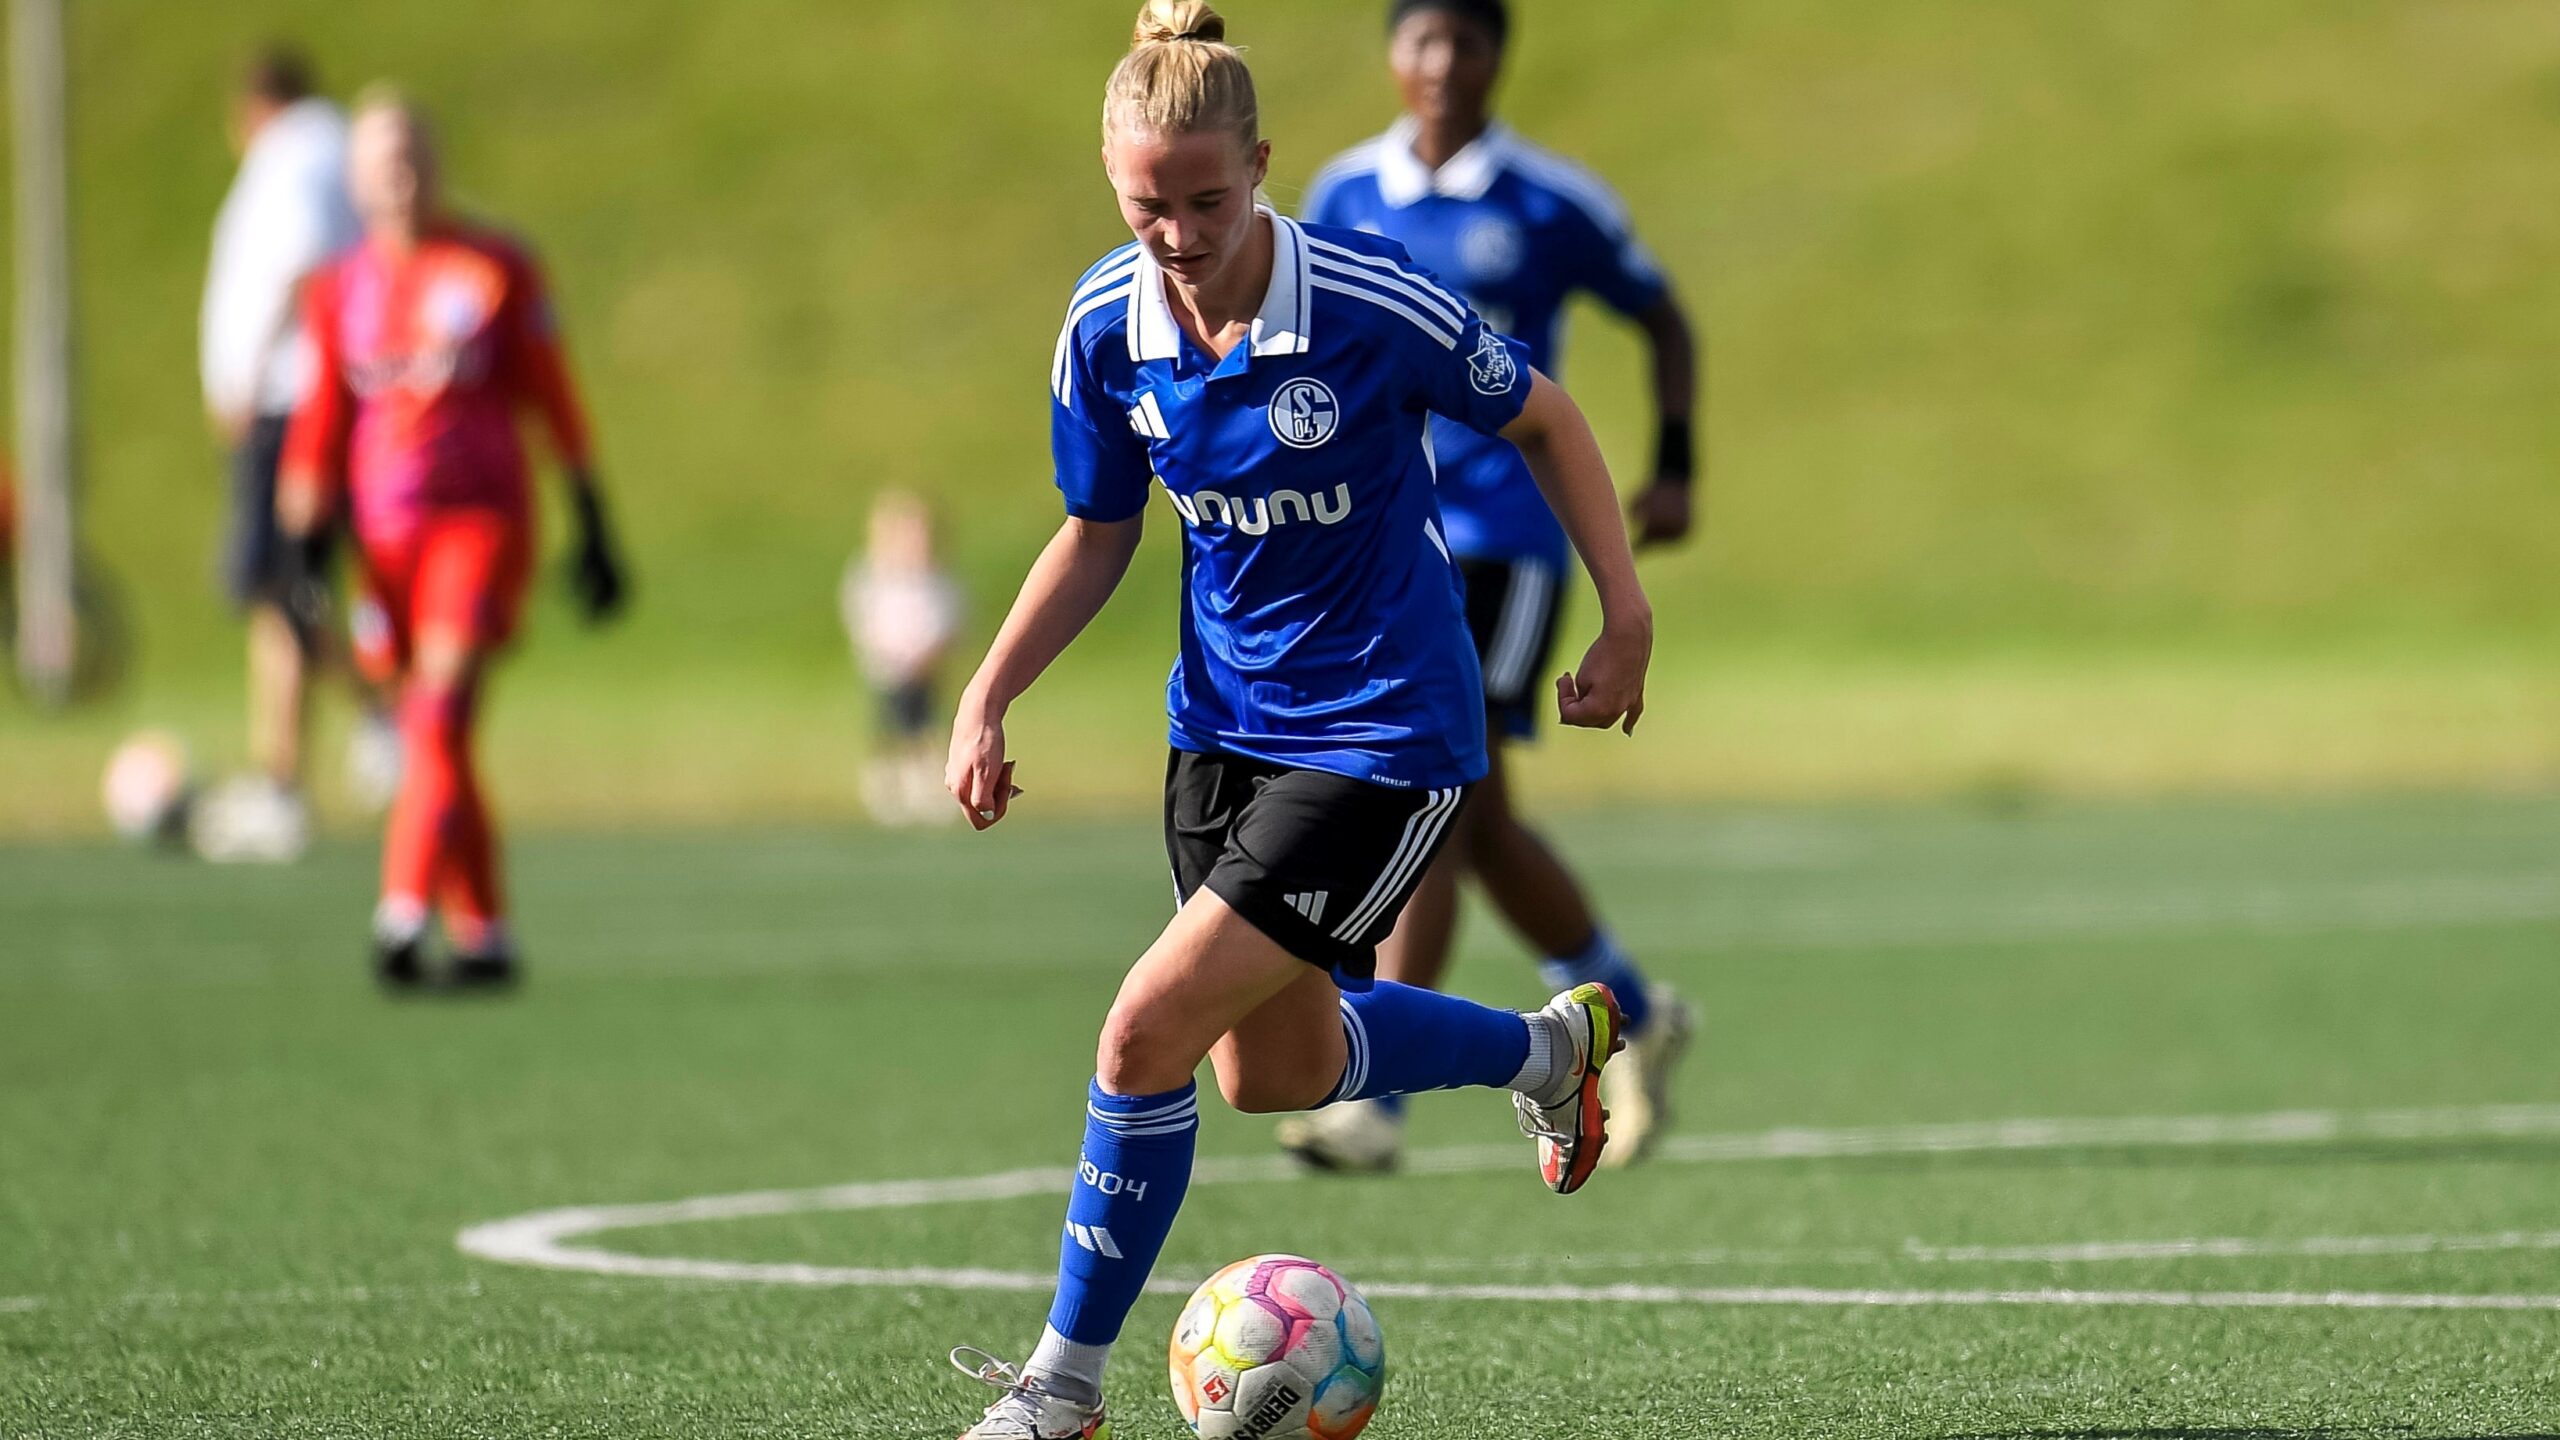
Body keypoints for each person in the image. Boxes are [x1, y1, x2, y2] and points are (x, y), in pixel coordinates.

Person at [940, 5, 1653, 1435]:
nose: (1180, 233)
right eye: (1149, 204)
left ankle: (1058, 1391)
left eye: (1209, 200)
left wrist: (1623, 614)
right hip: (1220, 729)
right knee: (1271, 1070)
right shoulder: (1104, 326)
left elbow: (1548, 418)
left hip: (1388, 734)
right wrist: (988, 690)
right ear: (1111, 180)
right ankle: (1548, 1053)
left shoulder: (1371, 305)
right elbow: (1097, 531)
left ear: (1261, 166)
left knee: (1139, 1032)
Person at [1278, 0, 1704, 1173]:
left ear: (1494, 56)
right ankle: (1628, 1008)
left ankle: (1377, 1099)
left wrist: (1673, 467)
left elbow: (1663, 319)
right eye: (1420, 40)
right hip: (1387, 542)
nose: (1441, 64)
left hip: (1506, 540)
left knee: (1444, 799)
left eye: (1464, 41)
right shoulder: (1342, 195)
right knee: (1480, 812)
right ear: (1391, 56)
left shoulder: (1549, 201)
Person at [278, 89, 627, 989]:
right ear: (355, 179)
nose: (399, 171)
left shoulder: (491, 268)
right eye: (380, 157)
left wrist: (590, 514)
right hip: (382, 543)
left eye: (412, 151)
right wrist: (304, 540)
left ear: (435, 163)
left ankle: (399, 912)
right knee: (442, 735)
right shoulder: (338, 290)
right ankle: (488, 933)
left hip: (477, 524)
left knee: (435, 712)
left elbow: (550, 393)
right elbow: (322, 418)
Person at [196, 45, 389, 861]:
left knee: (283, 588)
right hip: (299, 400)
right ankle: (342, 742)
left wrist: (246, 371)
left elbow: (304, 265)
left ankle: (359, 735)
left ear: (254, 107)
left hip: (290, 401)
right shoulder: (318, 151)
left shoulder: (300, 153)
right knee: (285, 591)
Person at [841, 490, 965, 825]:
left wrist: (929, 653)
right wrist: (886, 653)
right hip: (889, 668)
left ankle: (925, 789)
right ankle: (885, 790)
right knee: (891, 724)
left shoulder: (936, 581)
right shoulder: (874, 578)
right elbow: (864, 621)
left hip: (924, 667)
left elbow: (949, 622)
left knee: (924, 725)